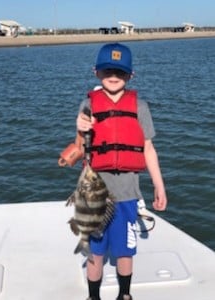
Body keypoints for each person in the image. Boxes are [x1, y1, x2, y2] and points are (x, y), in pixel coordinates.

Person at [76, 43, 167, 300]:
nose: (113, 76)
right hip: (94, 195)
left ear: (130, 75)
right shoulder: (87, 105)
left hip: (128, 193)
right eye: (107, 71)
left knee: (125, 250)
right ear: (96, 73)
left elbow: (148, 149)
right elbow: (78, 146)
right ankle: (94, 296)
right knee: (95, 253)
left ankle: (124, 294)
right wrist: (80, 128)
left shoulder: (140, 107)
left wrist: (159, 185)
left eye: (120, 71)